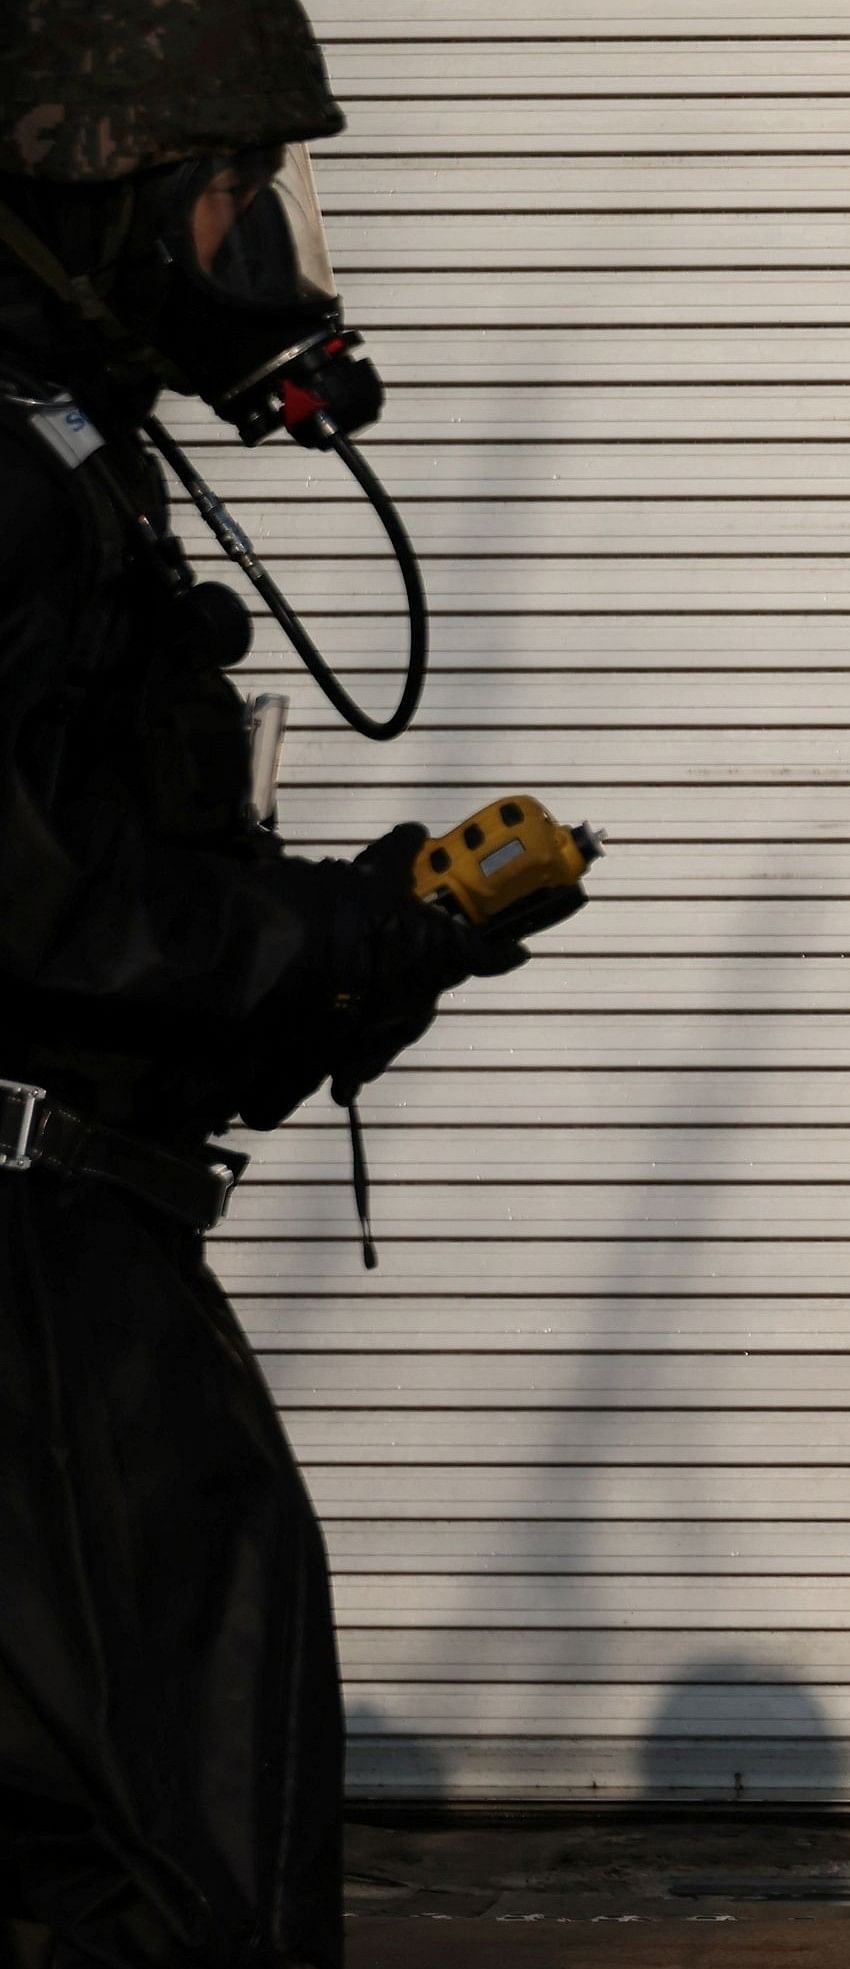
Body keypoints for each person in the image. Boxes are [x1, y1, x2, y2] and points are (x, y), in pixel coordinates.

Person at [2, 5, 535, 1960]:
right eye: (236, 187)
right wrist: (355, 934)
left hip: (83, 1242)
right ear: (99, 190)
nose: (270, 242)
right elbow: (59, 926)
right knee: (173, 1864)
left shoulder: (74, 468)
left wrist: (382, 945)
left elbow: (121, 924)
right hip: (40, 1292)